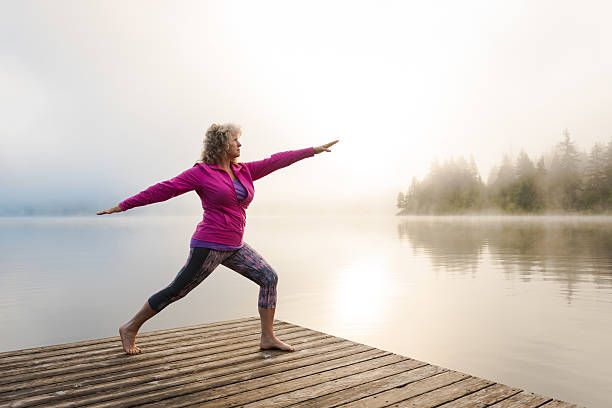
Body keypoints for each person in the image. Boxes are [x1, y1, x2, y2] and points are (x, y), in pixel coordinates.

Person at [97, 123, 339, 354]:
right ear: (222, 144)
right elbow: (164, 189)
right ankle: (130, 327)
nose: (240, 145)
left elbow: (275, 161)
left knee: (268, 278)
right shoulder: (201, 173)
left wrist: (312, 151)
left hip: (235, 245)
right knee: (177, 290)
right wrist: (122, 206)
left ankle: (267, 337)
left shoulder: (243, 171)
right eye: (235, 140)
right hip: (209, 244)